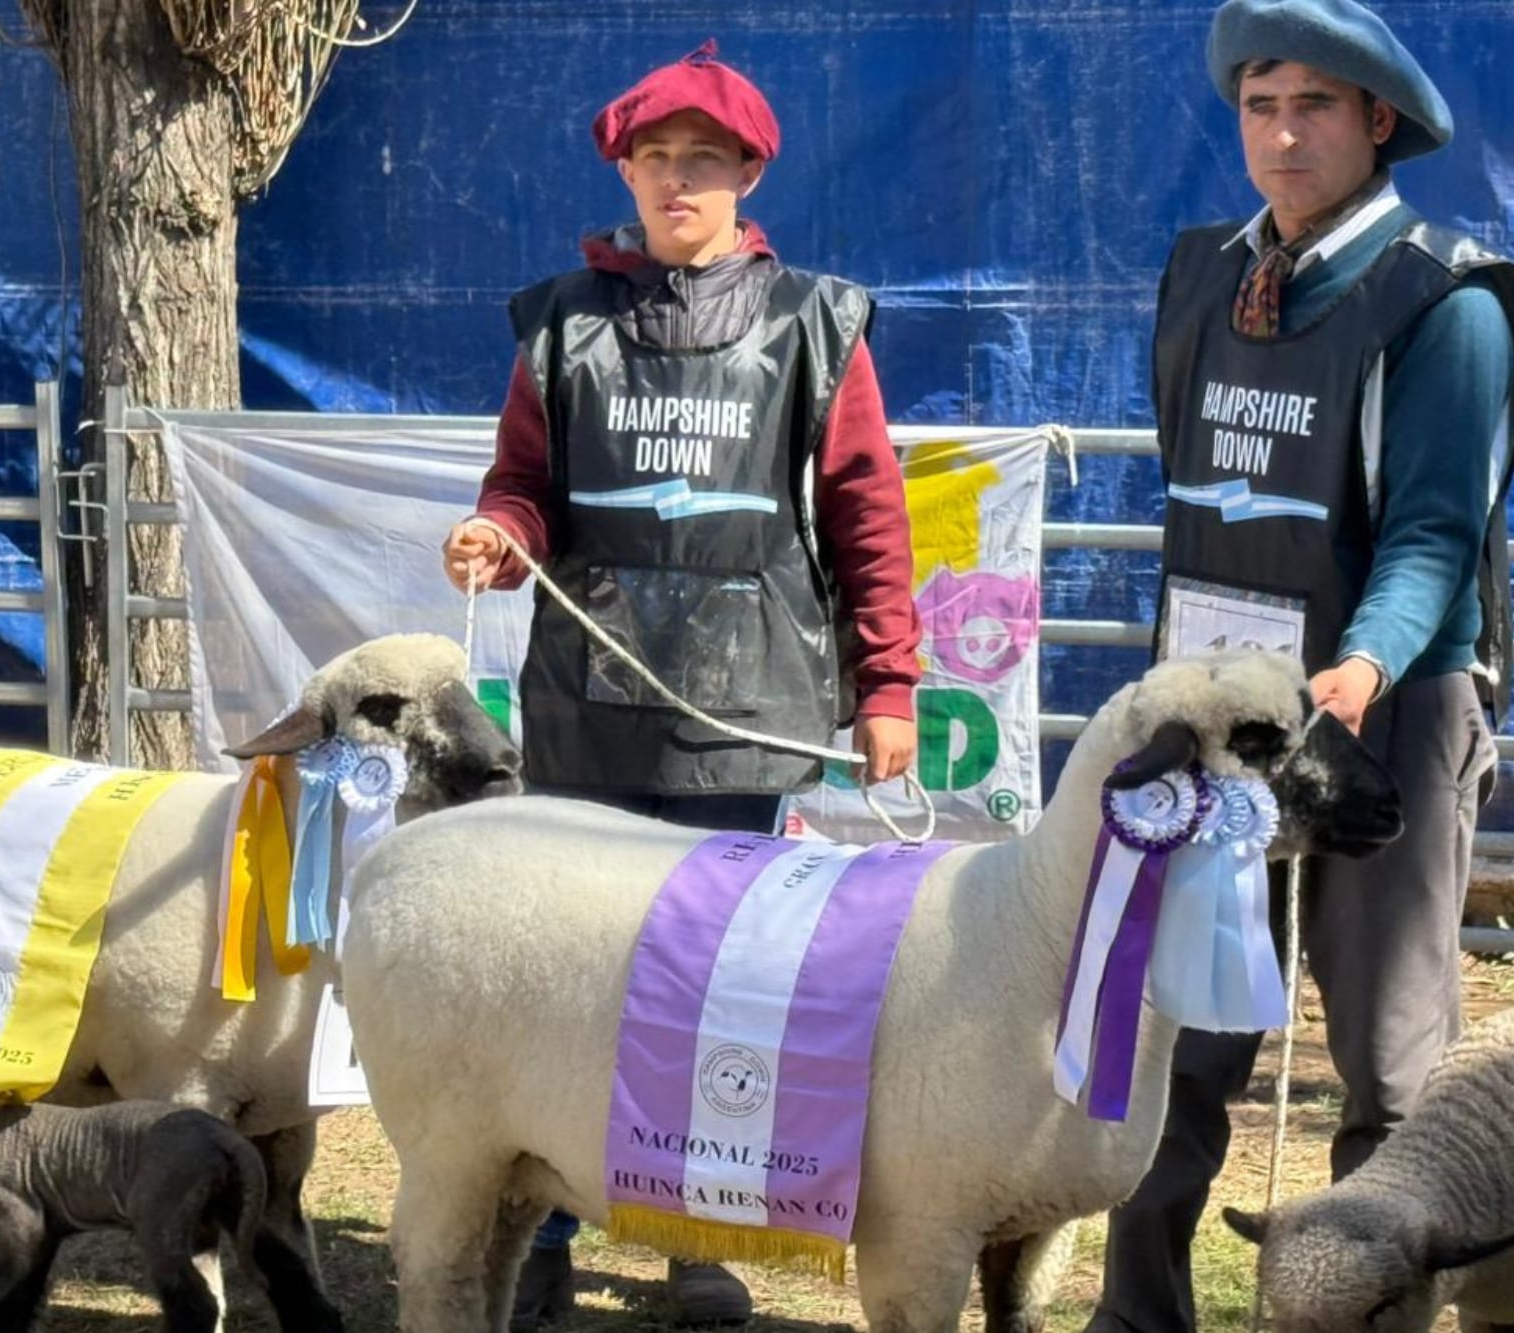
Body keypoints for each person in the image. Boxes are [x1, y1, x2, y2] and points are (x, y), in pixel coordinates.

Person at [440, 40, 923, 1331]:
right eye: (655, 161)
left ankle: (693, 1239)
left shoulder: (818, 325)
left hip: (742, 724)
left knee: (717, 992)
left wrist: (889, 686)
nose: (676, 183)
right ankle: (540, 1229)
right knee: (572, 987)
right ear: (628, 173)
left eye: (701, 162)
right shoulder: (563, 325)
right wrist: (501, 537)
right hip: (586, 715)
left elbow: (870, 515)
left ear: (748, 172)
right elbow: (524, 487)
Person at [1088, 2, 1514, 1330]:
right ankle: (1136, 1313)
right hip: (1226, 719)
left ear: (1377, 122)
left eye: (1317, 108)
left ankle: (1375, 1312)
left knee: (1390, 1068)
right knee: (1177, 1041)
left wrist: (1361, 670)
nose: (1283, 135)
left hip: (1374, 719)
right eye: (1261, 106)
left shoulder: (1443, 302)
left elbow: (1437, 536)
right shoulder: (1204, 278)